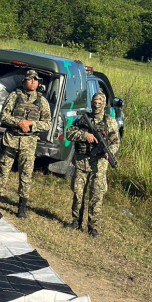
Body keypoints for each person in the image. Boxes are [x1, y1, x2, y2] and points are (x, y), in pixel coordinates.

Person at [0, 70, 52, 218]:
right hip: (11, 140)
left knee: (26, 175)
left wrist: (31, 124)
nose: (33, 82)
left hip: (29, 144)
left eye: (36, 80)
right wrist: (19, 123)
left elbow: (47, 124)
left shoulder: (42, 101)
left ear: (38, 83)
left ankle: (22, 208)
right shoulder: (14, 96)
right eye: (30, 79)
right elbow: (3, 116)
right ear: (24, 82)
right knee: (3, 171)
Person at [64, 92, 120, 238]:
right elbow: (69, 133)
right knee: (78, 193)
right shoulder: (83, 119)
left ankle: (93, 227)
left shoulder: (110, 121)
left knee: (96, 195)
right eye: (95, 102)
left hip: (99, 165)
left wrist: (110, 152)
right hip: (82, 162)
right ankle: (76, 221)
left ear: (104, 104)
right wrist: (85, 135)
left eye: (100, 102)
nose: (97, 104)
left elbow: (115, 142)